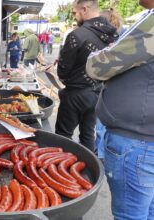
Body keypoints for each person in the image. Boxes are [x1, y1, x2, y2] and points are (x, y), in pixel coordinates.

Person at [86, 1, 154, 219]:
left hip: (137, 144)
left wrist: (96, 55)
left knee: (130, 215)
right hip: (145, 141)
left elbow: (98, 67)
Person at [55, 0, 118, 152]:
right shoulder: (113, 35)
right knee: (88, 135)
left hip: (76, 93)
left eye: (74, 12)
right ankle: (87, 173)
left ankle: (63, 172)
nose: (74, 16)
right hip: (98, 94)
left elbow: (62, 72)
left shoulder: (77, 35)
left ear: (84, 9)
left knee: (62, 137)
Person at [95, 7, 125, 159]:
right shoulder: (123, 36)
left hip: (110, 91)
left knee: (102, 126)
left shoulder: (113, 41)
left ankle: (100, 154)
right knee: (102, 126)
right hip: (114, 92)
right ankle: (100, 153)